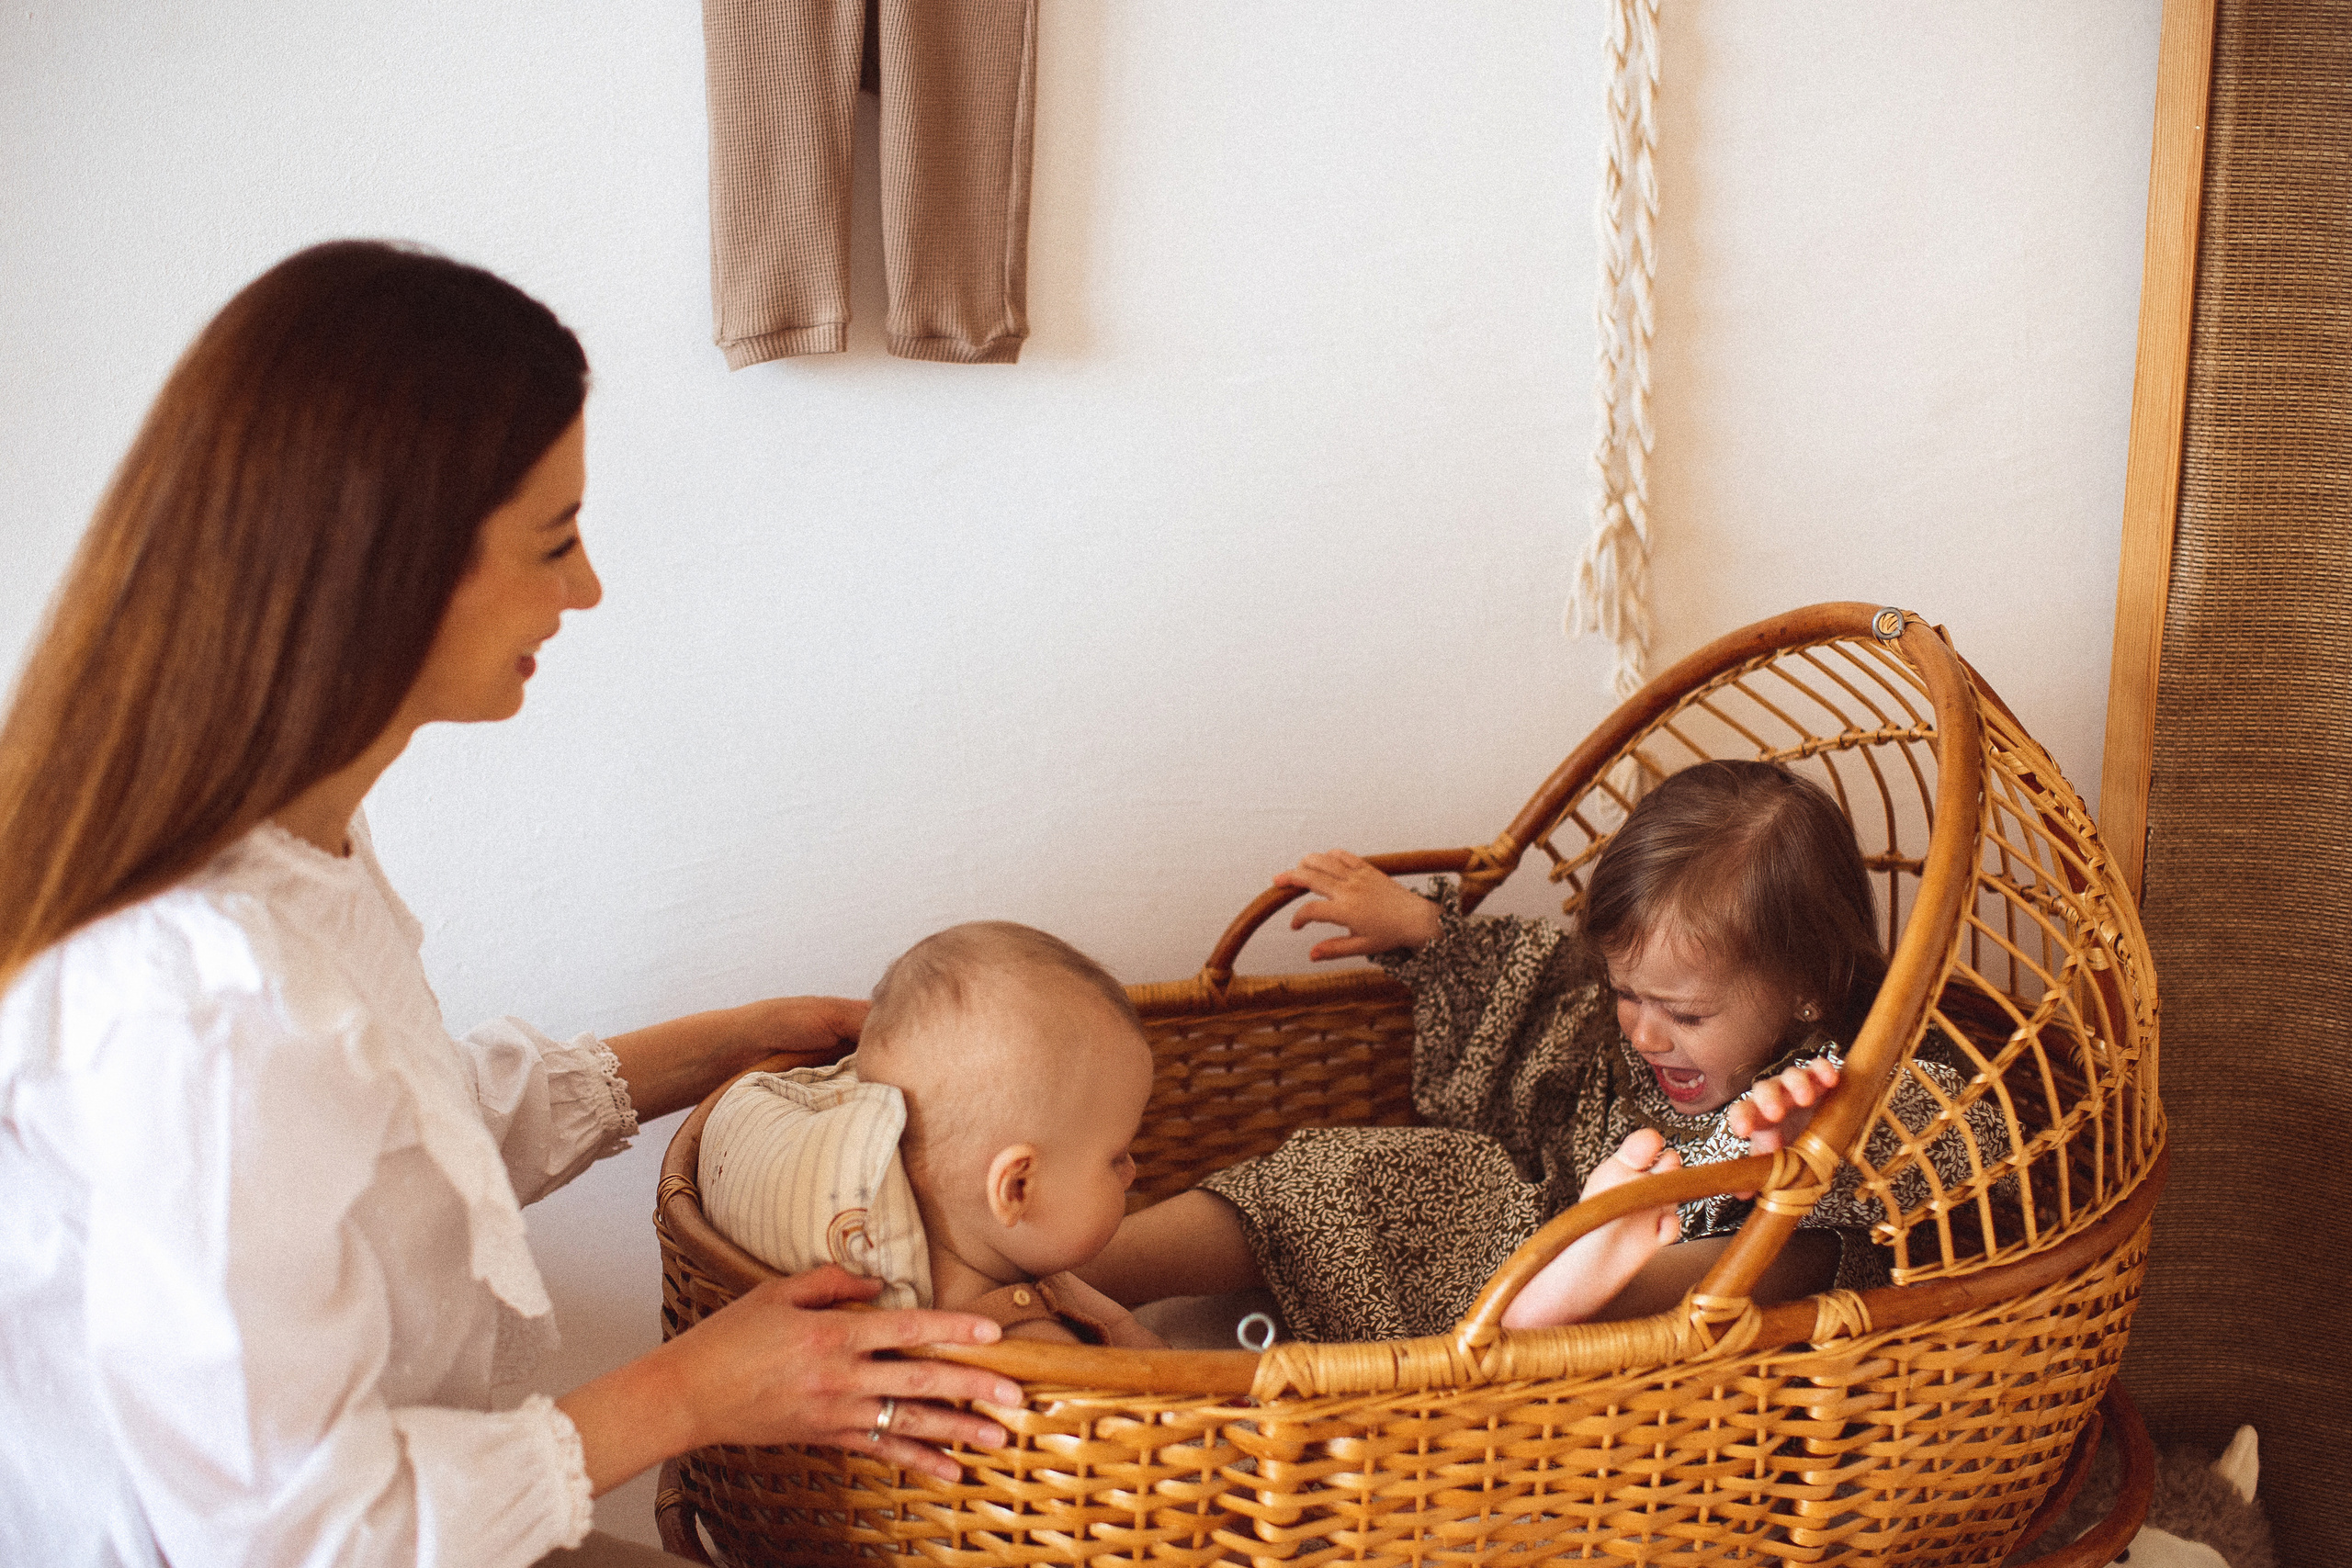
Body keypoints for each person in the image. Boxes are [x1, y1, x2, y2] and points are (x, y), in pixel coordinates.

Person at [0, 241, 1025, 1568]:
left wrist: (725, 1043)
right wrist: (696, 1390)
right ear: (386, 567)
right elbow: (290, 1534)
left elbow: (391, 1144)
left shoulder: (298, 847)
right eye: (554, 540)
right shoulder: (196, 999)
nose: (585, 587)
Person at [1079, 760, 2010, 1343]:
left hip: (1692, 1292)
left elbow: (1964, 1129)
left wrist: (1828, 1134)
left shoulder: (1845, 1060)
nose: (1645, 1031)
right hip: (1531, 1231)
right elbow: (1537, 983)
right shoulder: (1608, 1021)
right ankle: (1086, 1266)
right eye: (1628, 993)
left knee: (1781, 1249)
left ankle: (1584, 1295)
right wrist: (1426, 933)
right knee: (1348, 1170)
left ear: (1808, 986)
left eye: (1686, 1014)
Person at [699, 922, 1165, 1348]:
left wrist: (1129, 1330)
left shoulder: (1006, 1251)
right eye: (1116, 1157)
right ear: (1016, 1188)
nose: (1132, 1171)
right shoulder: (1018, 1341)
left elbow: (1102, 1312)